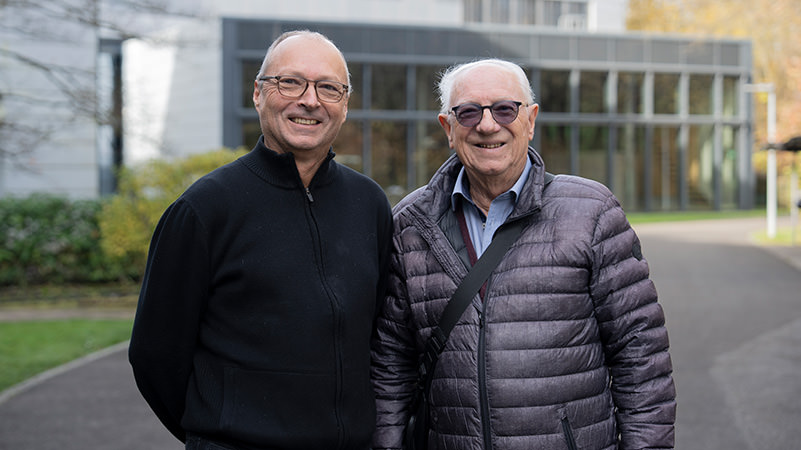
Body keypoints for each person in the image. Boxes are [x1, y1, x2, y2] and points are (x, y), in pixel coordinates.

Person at [370, 58, 676, 450]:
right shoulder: (411, 223)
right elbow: (390, 366)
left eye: (504, 109)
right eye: (468, 112)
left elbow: (641, 357)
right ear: (448, 128)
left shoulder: (591, 212)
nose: (486, 125)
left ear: (530, 120)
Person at [129, 30, 393, 450]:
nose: (309, 100)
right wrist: (215, 431)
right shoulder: (205, 208)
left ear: (344, 106)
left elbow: (378, 335)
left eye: (328, 88)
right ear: (257, 94)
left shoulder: (369, 204)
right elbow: (155, 354)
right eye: (290, 82)